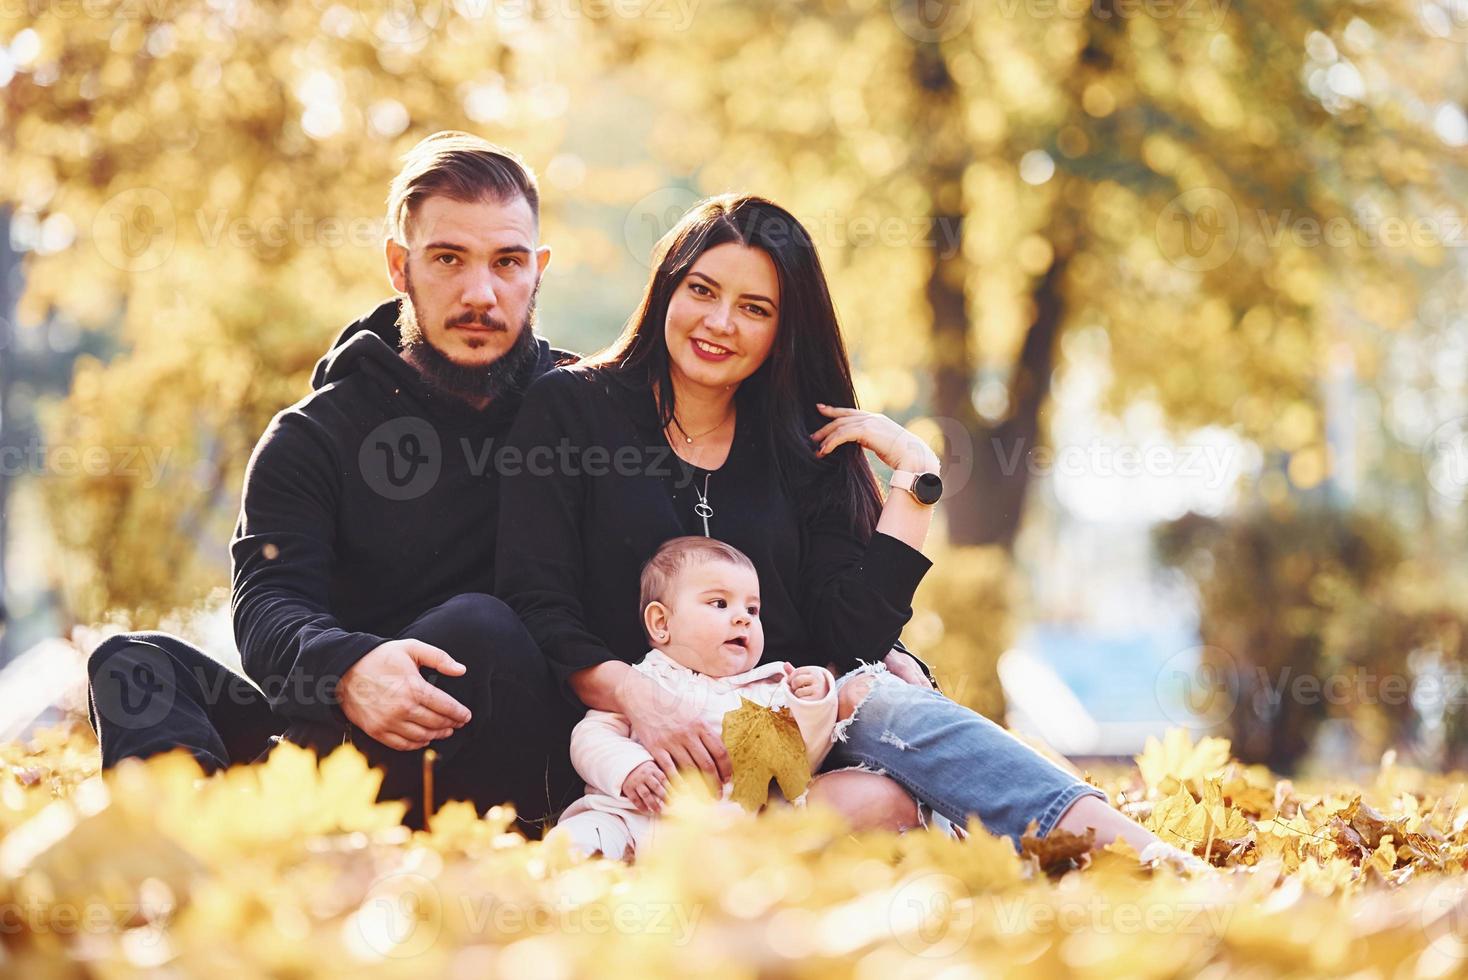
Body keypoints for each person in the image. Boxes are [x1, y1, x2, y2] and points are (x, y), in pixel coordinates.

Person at [497, 193, 1205, 868]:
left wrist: (916, 482)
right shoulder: (573, 410)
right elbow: (536, 598)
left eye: (755, 308)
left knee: (877, 746)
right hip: (626, 757)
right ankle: (680, 852)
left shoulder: (805, 443)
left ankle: (1132, 855)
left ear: (783, 330)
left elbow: (849, 640)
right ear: (667, 292)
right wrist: (636, 697)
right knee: (877, 796)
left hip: (771, 744)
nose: (719, 323)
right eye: (702, 291)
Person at [85, 132, 583, 832]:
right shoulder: (312, 436)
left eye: (508, 262)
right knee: (131, 662)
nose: (481, 293)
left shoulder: (587, 415)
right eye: (448, 259)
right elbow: (269, 606)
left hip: (512, 754)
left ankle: (271, 833)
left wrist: (796, 445)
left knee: (479, 628)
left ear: (539, 269)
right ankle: (193, 848)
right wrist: (349, 668)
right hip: (338, 745)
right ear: (398, 266)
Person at [550, 536, 838, 860]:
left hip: (717, 834)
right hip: (628, 818)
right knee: (586, 834)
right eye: (720, 603)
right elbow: (591, 736)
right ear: (661, 623)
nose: (743, 617)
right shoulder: (645, 681)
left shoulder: (766, 690)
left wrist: (814, 702)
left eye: (752, 609)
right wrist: (629, 768)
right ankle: (577, 867)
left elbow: (801, 757)